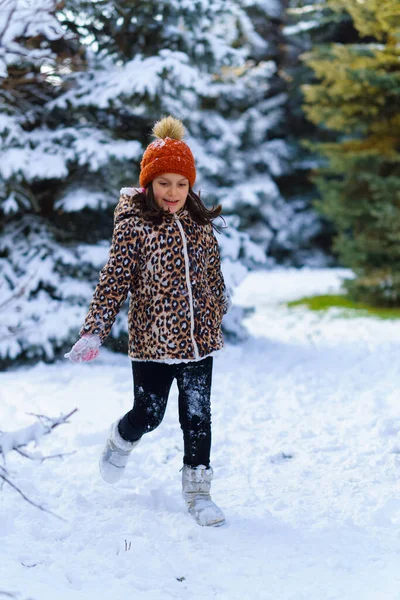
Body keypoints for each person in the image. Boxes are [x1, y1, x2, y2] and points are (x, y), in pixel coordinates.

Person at [65, 116, 230, 527]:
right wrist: (94, 330)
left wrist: (217, 303)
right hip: (153, 342)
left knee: (197, 414)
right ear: (148, 184)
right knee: (150, 414)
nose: (172, 193)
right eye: (163, 183)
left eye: (180, 184)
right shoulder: (134, 227)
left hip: (198, 341)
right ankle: (121, 437)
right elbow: (114, 280)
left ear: (190, 185)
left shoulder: (199, 225)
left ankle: (199, 492)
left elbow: (211, 272)